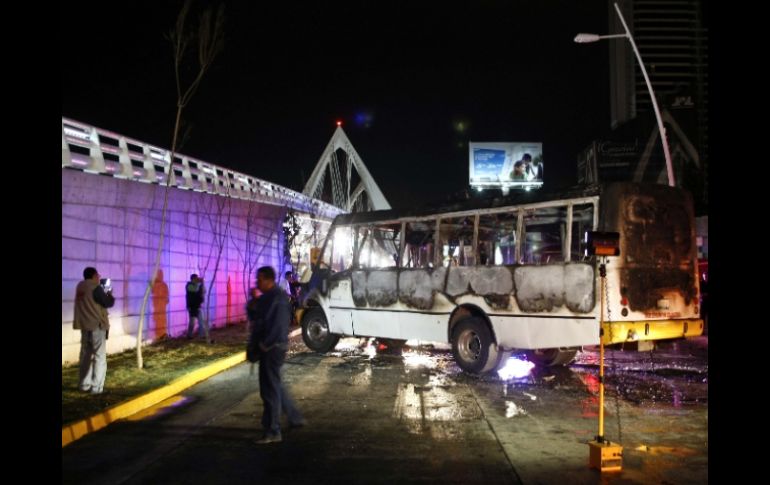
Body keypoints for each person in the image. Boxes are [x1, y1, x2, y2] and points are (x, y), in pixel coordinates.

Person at [249, 266, 305, 444]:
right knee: (274, 386)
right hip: (268, 348)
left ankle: (272, 431)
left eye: (259, 279)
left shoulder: (278, 298)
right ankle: (293, 418)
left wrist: (266, 345)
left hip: (272, 349)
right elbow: (256, 317)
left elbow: (278, 326)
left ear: (267, 279)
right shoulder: (268, 297)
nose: (257, 283)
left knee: (269, 390)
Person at [73, 266, 115, 395]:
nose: (99, 277)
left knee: (85, 357)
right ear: (93, 276)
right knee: (99, 357)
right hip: (97, 327)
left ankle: (84, 385)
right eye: (98, 275)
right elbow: (108, 302)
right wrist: (108, 291)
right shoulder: (96, 288)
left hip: (85, 327)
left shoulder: (80, 287)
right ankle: (97, 388)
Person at [185, 274, 207, 340]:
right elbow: (195, 290)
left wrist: (203, 284)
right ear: (193, 279)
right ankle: (189, 335)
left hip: (198, 305)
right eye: (196, 279)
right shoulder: (189, 285)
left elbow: (204, 291)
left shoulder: (198, 285)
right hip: (192, 307)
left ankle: (202, 335)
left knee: (201, 321)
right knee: (192, 322)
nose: (197, 280)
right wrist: (199, 283)